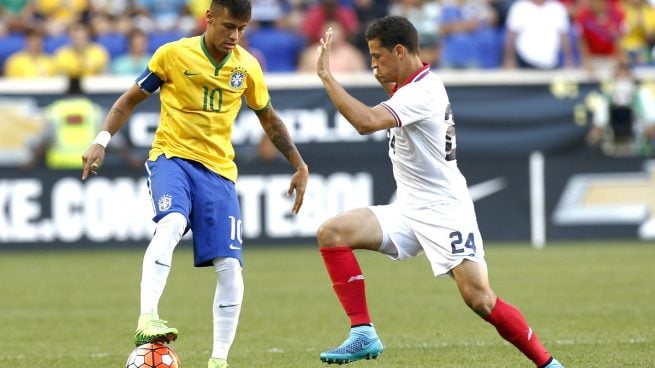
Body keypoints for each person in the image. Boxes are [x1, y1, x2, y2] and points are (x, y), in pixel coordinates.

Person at [314, 16, 564, 367]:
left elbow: (366, 122)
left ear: (399, 51)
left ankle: (548, 363)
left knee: (480, 299)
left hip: (445, 210)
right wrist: (385, 76)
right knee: (332, 232)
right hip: (408, 208)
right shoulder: (408, 86)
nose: (373, 65)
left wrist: (327, 77)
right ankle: (363, 333)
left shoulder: (422, 92)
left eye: (377, 56)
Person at [80, 1, 309, 368]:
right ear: (210, 18)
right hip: (172, 158)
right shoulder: (173, 55)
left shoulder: (247, 67)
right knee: (171, 223)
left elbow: (269, 119)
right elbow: (129, 100)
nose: (235, 36)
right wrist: (101, 140)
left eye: (242, 29)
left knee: (230, 267)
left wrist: (298, 163)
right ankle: (147, 318)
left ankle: (218, 360)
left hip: (219, 172)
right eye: (229, 26)